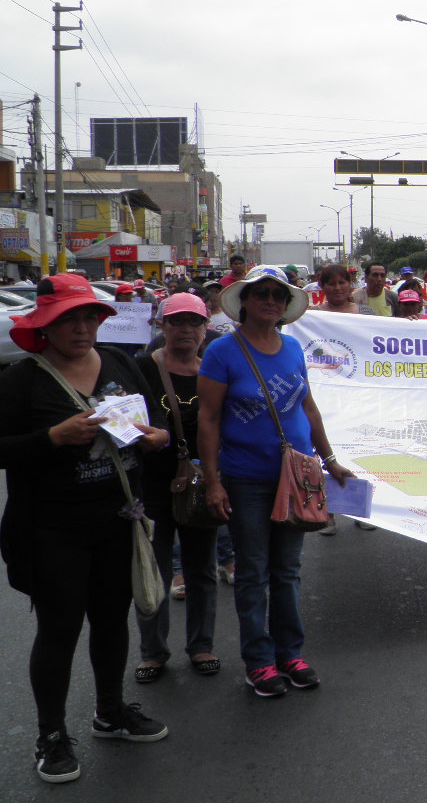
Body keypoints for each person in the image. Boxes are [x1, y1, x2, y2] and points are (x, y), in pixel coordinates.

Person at [0, 275, 172, 783]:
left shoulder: (121, 364)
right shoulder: (21, 381)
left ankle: (110, 711)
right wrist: (52, 436)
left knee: (112, 620)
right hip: (51, 528)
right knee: (59, 629)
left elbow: (153, 426)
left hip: (118, 520)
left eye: (88, 317)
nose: (80, 328)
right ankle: (50, 734)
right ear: (44, 326)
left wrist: (155, 438)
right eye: (67, 320)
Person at [197, 265, 354, 698]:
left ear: (286, 307)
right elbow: (207, 420)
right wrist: (213, 482)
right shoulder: (222, 352)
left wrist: (331, 461)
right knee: (254, 572)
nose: (270, 300)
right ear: (244, 300)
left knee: (287, 571)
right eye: (262, 293)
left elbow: (309, 410)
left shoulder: (292, 350)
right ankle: (259, 662)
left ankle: (291, 655)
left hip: (298, 478)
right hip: (246, 480)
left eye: (279, 296)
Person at [133, 293, 222, 684]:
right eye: (176, 322)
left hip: (202, 482)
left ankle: (201, 645)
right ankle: (153, 652)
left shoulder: (215, 371)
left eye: (194, 322)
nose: (185, 329)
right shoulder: (141, 368)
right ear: (162, 326)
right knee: (152, 569)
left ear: (206, 328)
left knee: (201, 567)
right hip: (151, 483)